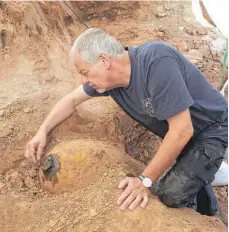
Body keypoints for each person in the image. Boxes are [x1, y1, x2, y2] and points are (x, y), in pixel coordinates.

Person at [25, 28, 228, 215]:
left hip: (211, 129)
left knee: (170, 194)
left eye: (84, 73)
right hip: (185, 134)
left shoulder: (156, 62)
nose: (84, 81)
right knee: (189, 169)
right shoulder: (111, 82)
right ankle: (208, 211)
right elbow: (71, 100)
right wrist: (42, 131)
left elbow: (182, 131)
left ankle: (207, 214)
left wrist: (144, 180)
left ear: (104, 60)